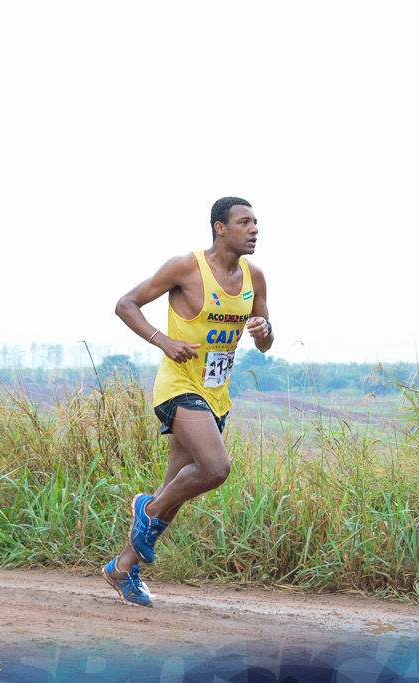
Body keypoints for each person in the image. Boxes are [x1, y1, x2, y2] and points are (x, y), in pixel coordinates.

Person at [103, 196, 274, 607]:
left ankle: (123, 569)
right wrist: (162, 340)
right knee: (215, 467)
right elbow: (125, 304)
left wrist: (263, 329)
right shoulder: (186, 267)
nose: (254, 230)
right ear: (220, 228)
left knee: (175, 491)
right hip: (178, 386)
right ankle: (146, 509)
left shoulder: (255, 277)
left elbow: (267, 344)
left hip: (215, 392)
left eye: (256, 223)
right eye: (244, 222)